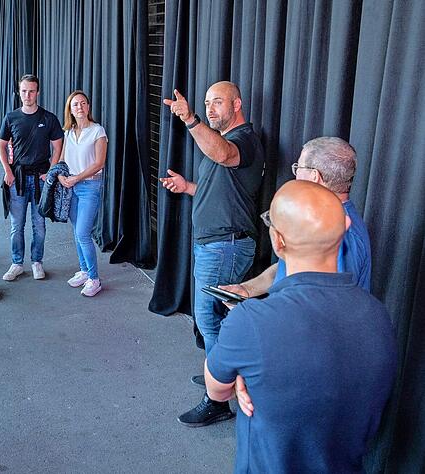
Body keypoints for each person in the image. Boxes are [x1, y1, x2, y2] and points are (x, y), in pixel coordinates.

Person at [205, 180, 396, 473]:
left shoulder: (250, 321)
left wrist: (242, 374)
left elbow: (217, 390)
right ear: (346, 226)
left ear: (278, 242)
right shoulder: (378, 315)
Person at [159, 81, 264, 427]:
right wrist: (188, 187)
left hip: (226, 245)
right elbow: (221, 187)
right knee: (213, 318)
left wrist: (190, 119)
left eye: (217, 102)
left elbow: (223, 154)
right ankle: (217, 376)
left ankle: (218, 396)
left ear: (237, 104)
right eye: (206, 103)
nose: (210, 108)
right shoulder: (222, 142)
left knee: (210, 319)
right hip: (215, 243)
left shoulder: (244, 140)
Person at [221, 136, 371, 299]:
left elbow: (329, 304)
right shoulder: (317, 218)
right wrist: (246, 289)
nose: (295, 174)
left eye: (299, 167)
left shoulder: (343, 234)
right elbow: (287, 269)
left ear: (314, 176)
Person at [0, 74, 64, 282]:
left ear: (38, 92)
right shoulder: (11, 117)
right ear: (19, 92)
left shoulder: (49, 118)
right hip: (17, 179)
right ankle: (17, 263)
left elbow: (58, 147)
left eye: (32, 91)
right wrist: (7, 171)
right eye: (24, 91)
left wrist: (50, 174)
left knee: (39, 225)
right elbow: (0, 145)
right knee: (17, 226)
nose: (28, 95)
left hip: (40, 180)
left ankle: (37, 262)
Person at [57, 91, 108, 297]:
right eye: (75, 104)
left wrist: (76, 178)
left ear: (88, 107)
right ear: (70, 109)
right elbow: (61, 160)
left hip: (89, 187)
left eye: (83, 103)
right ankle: (85, 271)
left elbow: (99, 163)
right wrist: (62, 178)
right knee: (77, 232)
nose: (79, 107)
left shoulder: (98, 131)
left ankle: (95, 279)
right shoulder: (68, 132)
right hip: (70, 187)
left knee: (82, 233)